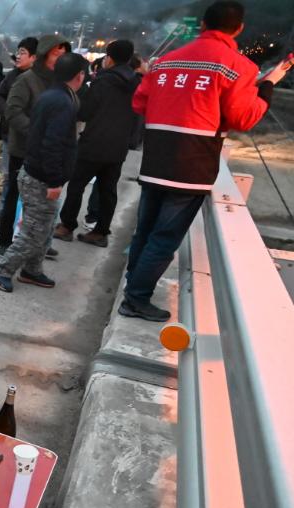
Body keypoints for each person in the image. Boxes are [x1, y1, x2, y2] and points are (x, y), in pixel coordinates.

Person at [121, 0, 289, 321]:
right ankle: (136, 298)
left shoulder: (166, 61)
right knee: (164, 237)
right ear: (238, 28)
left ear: (201, 25)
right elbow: (243, 118)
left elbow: (140, 103)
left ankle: (134, 286)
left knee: (145, 230)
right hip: (192, 166)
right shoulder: (238, 67)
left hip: (155, 160)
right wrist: (266, 87)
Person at [0, 53, 88, 293]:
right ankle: (4, 269)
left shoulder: (54, 95)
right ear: (79, 76)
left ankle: (32, 270)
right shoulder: (61, 102)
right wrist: (55, 181)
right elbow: (53, 144)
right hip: (42, 178)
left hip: (37, 172)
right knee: (34, 232)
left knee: (44, 230)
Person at [52, 40, 141, 248]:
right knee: (108, 190)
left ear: (109, 58)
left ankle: (67, 225)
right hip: (118, 147)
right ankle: (101, 232)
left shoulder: (103, 81)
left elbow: (85, 112)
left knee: (76, 185)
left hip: (94, 144)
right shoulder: (136, 83)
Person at [0, 34, 70, 254]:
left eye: (64, 54)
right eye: (57, 53)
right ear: (45, 53)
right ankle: (5, 240)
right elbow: (12, 110)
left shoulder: (62, 82)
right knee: (14, 196)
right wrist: (36, 131)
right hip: (23, 148)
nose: (61, 58)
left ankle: (37, 241)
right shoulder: (26, 79)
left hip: (47, 151)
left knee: (41, 202)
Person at [0, 37, 38, 222]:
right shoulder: (12, 75)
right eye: (17, 52)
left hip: (31, 137)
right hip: (10, 134)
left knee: (30, 179)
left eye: (23, 53)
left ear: (34, 57)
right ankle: (6, 209)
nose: (18, 56)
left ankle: (26, 215)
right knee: (9, 175)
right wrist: (11, 112)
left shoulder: (41, 79)